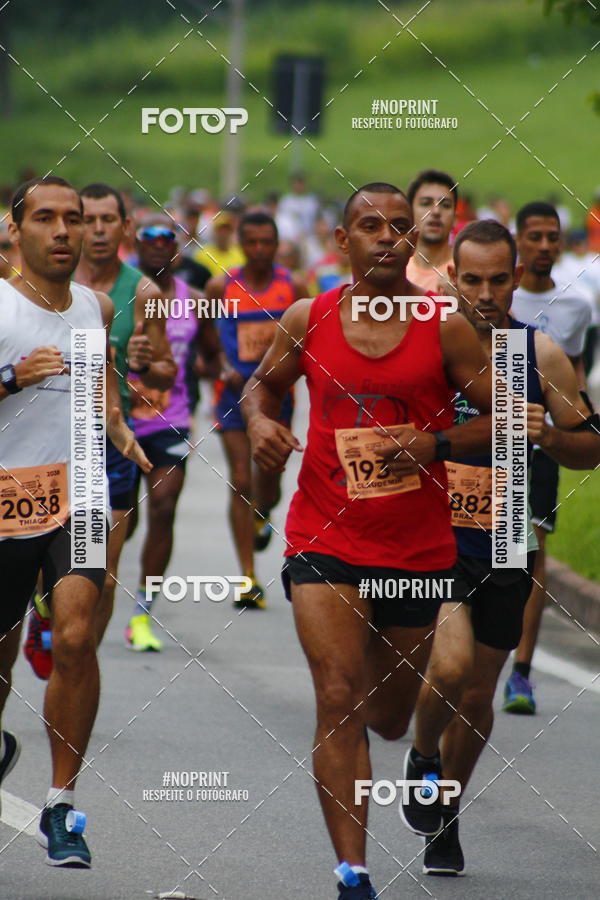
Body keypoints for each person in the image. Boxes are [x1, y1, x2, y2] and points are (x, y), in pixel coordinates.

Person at [241, 183, 494, 898]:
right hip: (324, 537)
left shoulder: (443, 328)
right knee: (339, 697)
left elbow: (503, 415)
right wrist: (262, 424)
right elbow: (260, 389)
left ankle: (417, 751)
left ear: (415, 241)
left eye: (400, 227)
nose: (387, 236)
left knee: (385, 718)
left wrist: (435, 441)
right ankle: (353, 873)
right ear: (341, 240)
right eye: (369, 225)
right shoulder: (308, 317)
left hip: (416, 549)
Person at [403, 219, 600, 875]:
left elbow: (590, 446)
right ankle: (423, 754)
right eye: (472, 279)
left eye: (497, 279)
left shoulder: (539, 355)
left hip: (509, 539)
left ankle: (446, 812)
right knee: (449, 668)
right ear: (451, 277)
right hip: (435, 542)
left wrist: (549, 437)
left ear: (515, 278)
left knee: (480, 695)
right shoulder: (427, 346)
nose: (485, 293)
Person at [0, 175, 150, 866]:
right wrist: (10, 379)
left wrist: (120, 431)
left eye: (75, 219)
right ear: (17, 229)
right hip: (5, 498)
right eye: (47, 219)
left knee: (78, 634)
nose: (64, 231)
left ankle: (62, 804)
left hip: (80, 493)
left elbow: (97, 391)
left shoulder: (93, 306)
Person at [505, 201, 592, 713]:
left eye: (552, 237)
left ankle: (521, 671)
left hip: (540, 443)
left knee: (530, 551)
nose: (544, 246)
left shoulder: (576, 304)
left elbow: (577, 372)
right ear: (518, 241)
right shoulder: (492, 291)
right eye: (534, 236)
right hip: (482, 439)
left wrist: (574, 423)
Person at [124, 215, 220, 650]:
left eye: (169, 238)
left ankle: (143, 613)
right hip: (119, 419)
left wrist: (216, 372)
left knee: (163, 507)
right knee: (121, 522)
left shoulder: (196, 301)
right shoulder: (117, 294)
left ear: (178, 248)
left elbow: (213, 356)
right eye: (152, 237)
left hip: (171, 420)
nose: (161, 245)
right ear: (137, 243)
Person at [207, 211, 307, 608]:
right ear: (241, 244)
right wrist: (218, 366)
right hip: (233, 395)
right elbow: (204, 337)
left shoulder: (292, 286)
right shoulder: (221, 286)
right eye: (252, 242)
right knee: (240, 481)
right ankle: (247, 577)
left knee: (268, 481)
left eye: (268, 242)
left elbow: (306, 339)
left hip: (276, 396)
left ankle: (263, 514)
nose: (260, 250)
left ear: (277, 243)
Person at [406, 169, 457, 294]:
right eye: (426, 203)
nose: (436, 212)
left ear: (455, 217)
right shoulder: (395, 271)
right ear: (409, 213)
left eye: (445, 205)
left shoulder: (467, 272)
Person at [193, 210, 244, 277]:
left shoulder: (240, 254)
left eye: (227, 230)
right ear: (214, 232)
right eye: (220, 230)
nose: (223, 234)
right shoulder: (202, 254)